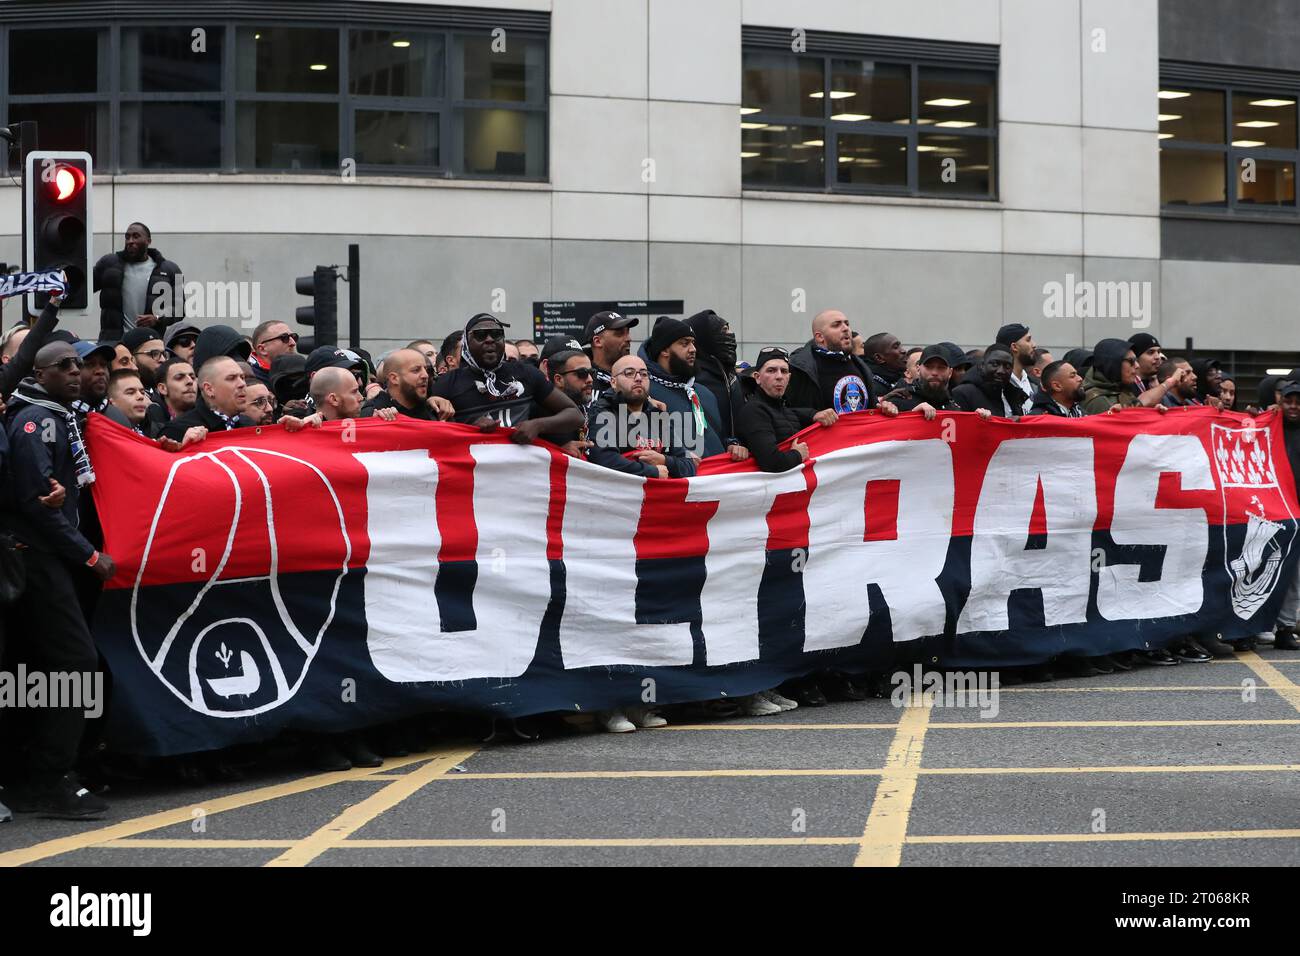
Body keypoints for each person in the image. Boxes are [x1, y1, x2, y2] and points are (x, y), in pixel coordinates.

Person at [3, 342, 115, 818]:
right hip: (37, 558)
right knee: (74, 660)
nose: (77, 372)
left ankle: (37, 772)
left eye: (81, 365)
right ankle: (52, 776)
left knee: (38, 667)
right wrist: (90, 556)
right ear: (39, 373)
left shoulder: (58, 417)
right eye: (65, 366)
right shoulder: (37, 422)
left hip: (41, 558)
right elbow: (36, 507)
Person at [432, 315, 584, 444]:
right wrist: (468, 426)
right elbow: (429, 429)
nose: (489, 339)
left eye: (496, 334)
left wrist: (538, 425)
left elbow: (575, 415)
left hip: (520, 471)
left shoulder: (526, 373)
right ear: (466, 344)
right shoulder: (447, 383)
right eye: (480, 335)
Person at [638, 316, 747, 461]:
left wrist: (731, 445)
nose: (693, 349)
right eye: (684, 344)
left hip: (714, 478)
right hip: (680, 480)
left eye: (693, 343)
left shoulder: (704, 393)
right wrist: (676, 459)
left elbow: (715, 438)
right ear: (664, 350)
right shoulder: (645, 392)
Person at [586, 355, 698, 480]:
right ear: (613, 382)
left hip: (656, 497)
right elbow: (605, 461)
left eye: (644, 374)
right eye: (629, 373)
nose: (638, 378)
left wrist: (664, 460)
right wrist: (652, 471)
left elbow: (689, 466)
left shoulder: (658, 417)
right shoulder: (603, 412)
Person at [735, 347, 838, 473]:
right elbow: (771, 463)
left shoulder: (783, 409)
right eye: (771, 370)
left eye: (784, 371)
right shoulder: (753, 411)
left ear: (789, 378)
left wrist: (814, 414)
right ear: (757, 377)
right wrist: (798, 455)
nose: (779, 376)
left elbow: (791, 413)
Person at [784, 309, 892, 417]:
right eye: (836, 325)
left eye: (847, 324)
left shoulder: (860, 365)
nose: (845, 328)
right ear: (820, 337)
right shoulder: (801, 368)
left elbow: (871, 407)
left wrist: (883, 408)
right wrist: (812, 415)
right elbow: (785, 412)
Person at [91, 221, 182, 341]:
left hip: (150, 343)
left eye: (136, 236)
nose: (130, 241)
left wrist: (157, 318)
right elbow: (83, 289)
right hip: (114, 342)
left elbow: (179, 309)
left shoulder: (170, 269)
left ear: (148, 241)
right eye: (127, 237)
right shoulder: (108, 264)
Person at [1269, 380, 1300, 650]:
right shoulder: (1267, 425)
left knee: (1294, 573)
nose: (1293, 406)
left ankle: (1286, 627)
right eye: (1288, 401)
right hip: (1272, 509)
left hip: (1297, 510)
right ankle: (1253, 627)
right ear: (1280, 401)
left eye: (1298, 402)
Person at [686, 309, 743, 441]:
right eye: (724, 330)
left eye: (729, 329)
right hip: (715, 457)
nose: (731, 334)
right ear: (706, 337)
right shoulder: (694, 381)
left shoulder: (731, 376)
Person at [543, 348, 594, 456]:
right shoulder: (538, 411)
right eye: (582, 373)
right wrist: (557, 451)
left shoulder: (589, 409)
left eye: (591, 373)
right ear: (559, 380)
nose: (590, 379)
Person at [952, 344, 1026, 417]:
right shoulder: (963, 393)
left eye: (1007, 366)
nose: (1001, 371)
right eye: (995, 364)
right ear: (982, 365)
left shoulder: (1014, 395)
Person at [313, 366, 398, 422]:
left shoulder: (371, 419)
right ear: (334, 399)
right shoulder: (304, 432)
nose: (361, 397)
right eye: (354, 392)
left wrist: (384, 422)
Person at [584, 310, 638, 393]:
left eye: (628, 333)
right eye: (620, 334)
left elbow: (623, 406)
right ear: (597, 341)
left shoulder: (636, 379)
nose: (629, 339)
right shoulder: (582, 380)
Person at [995, 323, 1036, 412]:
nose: (1034, 345)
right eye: (1028, 340)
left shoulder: (1034, 384)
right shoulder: (997, 385)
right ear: (1014, 346)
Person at [863, 331, 907, 396]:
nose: (904, 351)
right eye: (895, 347)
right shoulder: (868, 388)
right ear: (879, 358)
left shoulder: (902, 379)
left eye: (900, 345)